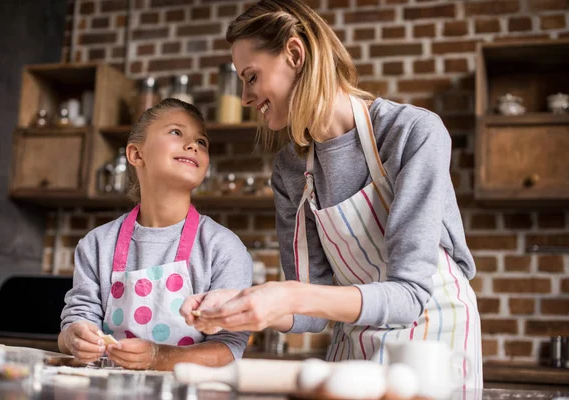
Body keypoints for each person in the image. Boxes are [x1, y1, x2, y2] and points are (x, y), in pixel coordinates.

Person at [181, 0, 482, 387]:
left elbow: (409, 297)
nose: (245, 97)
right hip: (351, 350)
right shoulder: (290, 170)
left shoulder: (411, 133)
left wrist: (287, 296)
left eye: (251, 77)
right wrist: (240, 302)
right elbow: (315, 308)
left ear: (294, 54)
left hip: (431, 345)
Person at [59, 98, 252, 370]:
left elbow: (229, 348)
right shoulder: (97, 244)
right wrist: (74, 337)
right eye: (176, 132)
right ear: (137, 155)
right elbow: (75, 323)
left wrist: (158, 357)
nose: (193, 145)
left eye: (202, 142)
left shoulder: (223, 248)